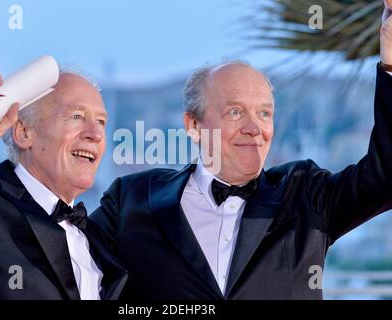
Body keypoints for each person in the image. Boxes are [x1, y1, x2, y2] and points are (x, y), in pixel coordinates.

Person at [86, 2, 392, 299]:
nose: (254, 128)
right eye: (235, 112)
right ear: (193, 124)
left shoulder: (304, 193)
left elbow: (386, 176)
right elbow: (63, 264)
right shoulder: (132, 199)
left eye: (264, 113)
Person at [0, 71, 126, 299]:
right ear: (24, 132)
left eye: (101, 121)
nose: (96, 134)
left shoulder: (101, 242)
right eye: (77, 116)